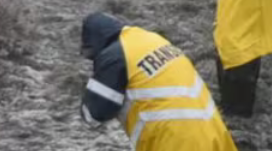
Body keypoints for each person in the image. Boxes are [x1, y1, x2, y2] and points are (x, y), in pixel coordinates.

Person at [78, 11, 239, 151]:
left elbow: (93, 114)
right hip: (216, 135)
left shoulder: (113, 56)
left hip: (177, 143)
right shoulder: (151, 38)